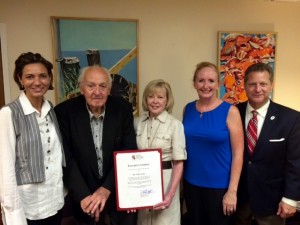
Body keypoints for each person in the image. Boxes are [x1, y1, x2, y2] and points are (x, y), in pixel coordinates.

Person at [54, 65, 137, 225]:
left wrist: (105, 189)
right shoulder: (64, 112)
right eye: (91, 85)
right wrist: (85, 196)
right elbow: (66, 159)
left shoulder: (123, 109)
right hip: (84, 195)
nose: (97, 92)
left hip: (118, 190)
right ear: (81, 87)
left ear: (109, 89)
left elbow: (128, 152)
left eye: (102, 86)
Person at [0, 52, 65, 225]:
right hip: (28, 206)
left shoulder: (50, 109)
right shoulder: (8, 114)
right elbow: (5, 168)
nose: (37, 82)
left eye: (43, 76)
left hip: (55, 199)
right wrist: (12, 212)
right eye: (29, 77)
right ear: (20, 80)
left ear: (50, 79)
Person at [233, 62, 300, 225]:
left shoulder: (291, 118)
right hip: (238, 200)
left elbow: (296, 162)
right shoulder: (232, 113)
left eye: (263, 84)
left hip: (273, 202)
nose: (258, 89)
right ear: (245, 86)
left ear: (271, 85)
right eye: (252, 84)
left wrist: (291, 198)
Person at [182, 61, 244, 225]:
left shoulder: (230, 111)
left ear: (218, 84)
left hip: (219, 188)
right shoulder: (187, 109)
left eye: (211, 81)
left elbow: (238, 154)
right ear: (194, 83)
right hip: (191, 184)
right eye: (201, 80)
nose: (206, 85)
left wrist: (232, 191)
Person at [134, 79, 187, 225]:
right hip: (142, 183)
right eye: (151, 96)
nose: (155, 101)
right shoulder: (137, 123)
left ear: (167, 100)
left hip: (166, 182)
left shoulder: (175, 125)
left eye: (160, 97)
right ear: (146, 99)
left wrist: (170, 195)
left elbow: (178, 162)